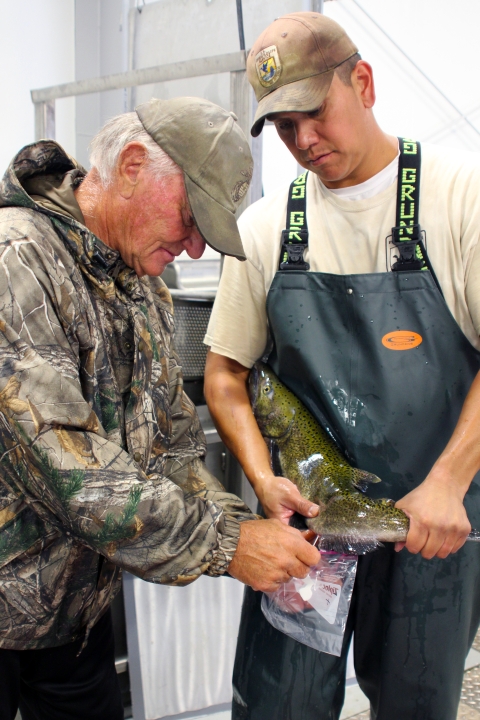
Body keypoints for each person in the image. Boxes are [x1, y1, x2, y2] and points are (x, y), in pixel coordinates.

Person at [0, 96, 319, 720]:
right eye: (190, 216)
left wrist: (249, 522)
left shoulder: (141, 288)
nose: (196, 248)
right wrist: (230, 544)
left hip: (74, 621)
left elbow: (172, 447)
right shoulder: (18, 261)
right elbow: (76, 476)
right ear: (134, 166)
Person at [204, 13, 480, 720]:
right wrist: (265, 480)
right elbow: (225, 374)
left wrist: (448, 483)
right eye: (285, 128)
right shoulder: (267, 227)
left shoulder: (459, 198)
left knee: (415, 704)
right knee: (279, 707)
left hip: (428, 526)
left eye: (313, 114)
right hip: (311, 533)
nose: (304, 142)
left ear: (362, 82)